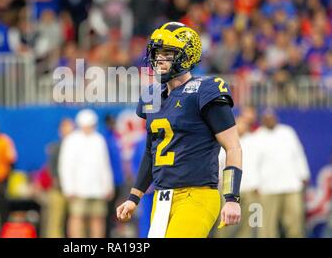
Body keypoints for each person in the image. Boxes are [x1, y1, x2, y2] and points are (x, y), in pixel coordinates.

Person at [116, 22, 242, 238]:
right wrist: (133, 197)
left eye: (168, 53)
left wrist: (231, 198)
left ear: (187, 56)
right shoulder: (151, 95)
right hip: (162, 198)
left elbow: (233, 147)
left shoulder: (206, 89)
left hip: (197, 195)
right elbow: (151, 153)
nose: (159, 60)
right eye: (157, 53)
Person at [58, 109, 114, 238]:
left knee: (98, 218)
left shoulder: (99, 140)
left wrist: (107, 186)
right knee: (77, 218)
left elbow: (104, 165)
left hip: (98, 189)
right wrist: (68, 188)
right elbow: (65, 166)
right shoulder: (71, 140)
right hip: (78, 189)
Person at [255, 109, 310, 238]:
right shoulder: (257, 137)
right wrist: (256, 183)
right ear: (262, 120)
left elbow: (298, 154)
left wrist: (304, 174)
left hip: (291, 185)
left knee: (295, 222)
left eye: (272, 117)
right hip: (268, 188)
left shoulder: (287, 132)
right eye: (266, 118)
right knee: (267, 227)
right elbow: (253, 164)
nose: (270, 120)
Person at [44, 118, 74, 238]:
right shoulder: (55, 147)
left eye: (69, 127)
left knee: (74, 222)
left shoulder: (77, 147)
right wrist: (60, 184)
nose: (67, 130)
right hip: (58, 191)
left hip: (74, 192)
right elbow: (51, 170)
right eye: (64, 127)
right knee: (55, 223)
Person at [103, 114, 125, 238]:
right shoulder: (104, 137)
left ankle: (112, 232)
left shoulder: (115, 137)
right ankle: (107, 234)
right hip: (109, 181)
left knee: (115, 209)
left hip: (118, 179)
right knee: (107, 211)